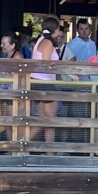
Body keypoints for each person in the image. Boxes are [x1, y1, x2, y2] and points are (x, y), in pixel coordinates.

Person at [30, 16, 64, 148]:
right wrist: (68, 71)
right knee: (49, 120)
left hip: (36, 81)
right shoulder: (48, 43)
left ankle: (21, 144)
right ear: (55, 30)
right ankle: (48, 150)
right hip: (45, 82)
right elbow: (47, 63)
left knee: (43, 120)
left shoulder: (40, 40)